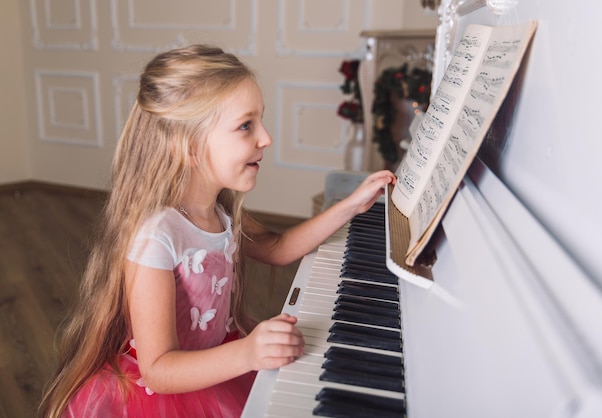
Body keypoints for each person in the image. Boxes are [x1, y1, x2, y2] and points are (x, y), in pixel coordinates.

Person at [39, 44, 396, 418]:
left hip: (215, 364)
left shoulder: (220, 210)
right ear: (189, 146)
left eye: (260, 121)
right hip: (170, 392)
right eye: (246, 125)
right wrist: (246, 352)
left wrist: (352, 206)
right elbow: (158, 370)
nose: (266, 138)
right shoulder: (157, 237)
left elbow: (278, 247)